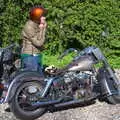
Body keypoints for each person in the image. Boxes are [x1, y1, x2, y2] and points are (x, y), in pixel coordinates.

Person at [21, 6, 47, 74]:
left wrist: (42, 28)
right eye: (42, 16)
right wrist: (42, 29)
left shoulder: (36, 24)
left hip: (36, 55)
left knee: (39, 78)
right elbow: (38, 43)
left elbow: (40, 38)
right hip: (30, 56)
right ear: (37, 16)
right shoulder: (29, 27)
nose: (44, 17)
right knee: (32, 79)